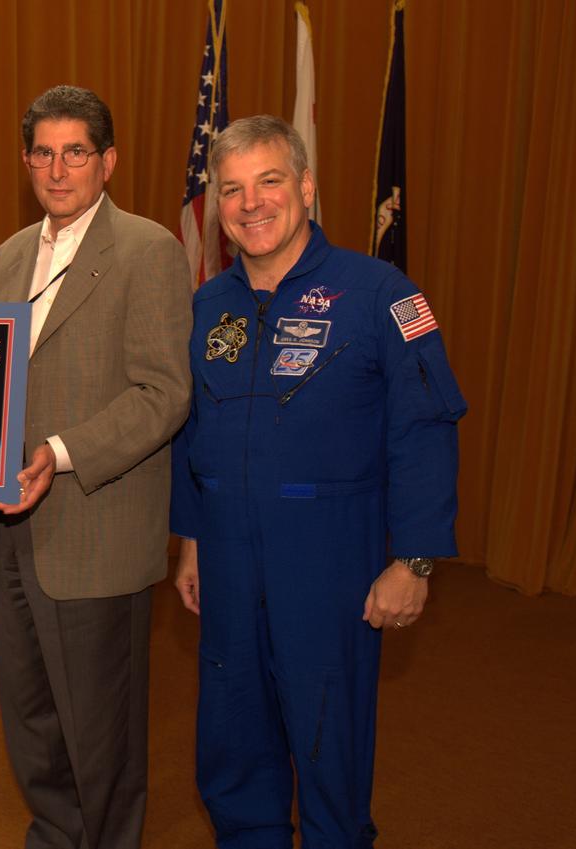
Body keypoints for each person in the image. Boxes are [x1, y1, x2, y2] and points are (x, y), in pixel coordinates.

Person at [170, 115, 466, 848]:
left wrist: (414, 558)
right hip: (229, 556)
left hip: (330, 560)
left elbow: (425, 425)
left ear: (306, 186)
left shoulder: (378, 293)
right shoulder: (207, 305)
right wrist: (192, 540)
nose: (251, 203)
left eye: (269, 181)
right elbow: (192, 432)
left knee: (328, 739)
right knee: (233, 740)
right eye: (232, 189)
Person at [0, 84, 192, 849]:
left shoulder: (149, 249)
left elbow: (164, 393)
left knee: (103, 737)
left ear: (108, 161)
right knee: (32, 723)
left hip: (92, 528)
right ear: (25, 159)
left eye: (76, 152)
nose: (57, 169)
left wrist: (58, 456)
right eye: (42, 152)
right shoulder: (8, 256)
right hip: (7, 536)